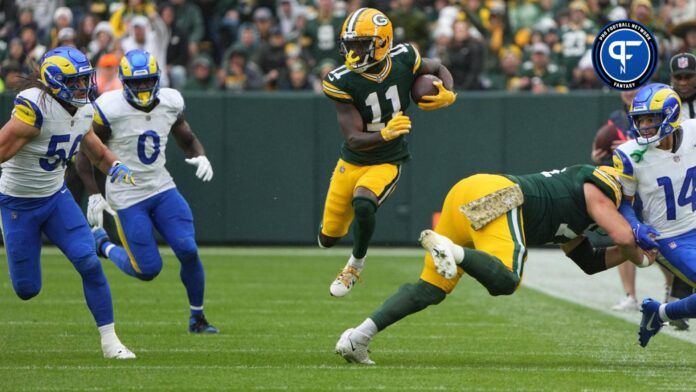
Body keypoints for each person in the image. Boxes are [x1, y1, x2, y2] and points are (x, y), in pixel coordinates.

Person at [335, 164, 650, 364]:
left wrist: (633, 252)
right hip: (499, 196)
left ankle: (357, 338)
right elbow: (624, 237)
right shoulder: (600, 187)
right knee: (507, 280)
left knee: (430, 289)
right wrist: (647, 255)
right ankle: (453, 251)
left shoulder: (579, 211)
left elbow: (591, 262)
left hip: (468, 191)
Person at [0, 46, 136, 359]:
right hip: (18, 204)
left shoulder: (84, 110)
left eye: (85, 79)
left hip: (55, 198)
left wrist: (117, 167)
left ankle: (110, 341)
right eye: (75, 81)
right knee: (27, 289)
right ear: (56, 82)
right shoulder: (34, 110)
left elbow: (98, 153)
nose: (84, 87)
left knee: (88, 261)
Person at [76, 49, 218, 334]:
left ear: (157, 79)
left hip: (161, 186)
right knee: (147, 269)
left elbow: (187, 138)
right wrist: (94, 192)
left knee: (188, 249)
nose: (142, 88)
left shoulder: (170, 101)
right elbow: (85, 153)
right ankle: (103, 245)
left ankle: (197, 318)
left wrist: (200, 154)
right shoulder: (109, 108)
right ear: (124, 82)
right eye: (136, 83)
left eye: (147, 81)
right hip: (127, 196)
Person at [318, 8, 456, 297]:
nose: (353, 52)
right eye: (350, 44)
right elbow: (354, 138)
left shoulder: (404, 56)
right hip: (353, 160)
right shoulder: (340, 80)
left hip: (388, 160)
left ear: (382, 42)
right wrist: (384, 132)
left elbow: (438, 67)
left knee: (364, 202)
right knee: (328, 237)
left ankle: (355, 265)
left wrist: (449, 92)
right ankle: (338, 237)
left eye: (361, 44)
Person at [613, 83, 696, 347]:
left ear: (672, 116)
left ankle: (658, 313)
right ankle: (661, 313)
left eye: (652, 118)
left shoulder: (693, 132)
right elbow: (623, 203)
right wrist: (636, 226)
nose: (645, 125)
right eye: (641, 119)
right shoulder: (630, 154)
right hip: (672, 237)